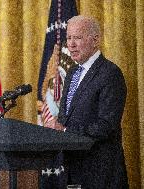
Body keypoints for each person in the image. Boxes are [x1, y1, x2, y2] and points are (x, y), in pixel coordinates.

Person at [47, 15, 129, 188]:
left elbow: (106, 125)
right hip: (71, 170)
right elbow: (64, 117)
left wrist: (66, 130)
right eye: (68, 38)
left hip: (100, 173)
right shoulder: (71, 74)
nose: (71, 44)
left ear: (95, 40)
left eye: (77, 37)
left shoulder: (110, 73)